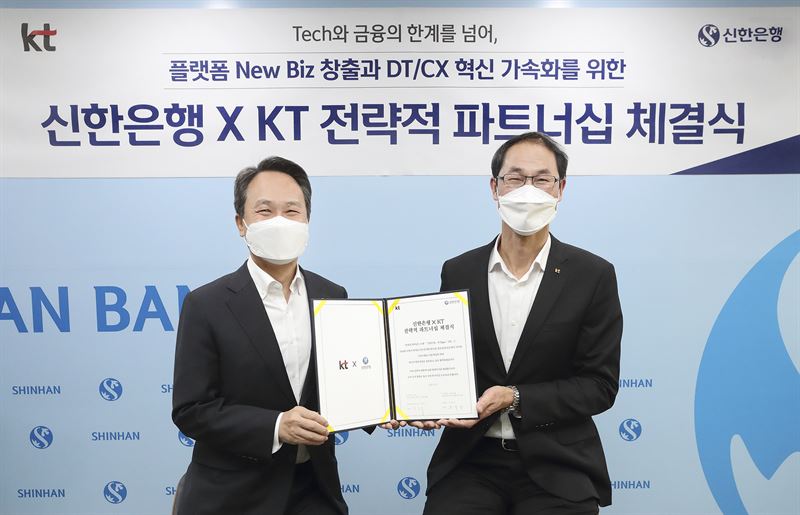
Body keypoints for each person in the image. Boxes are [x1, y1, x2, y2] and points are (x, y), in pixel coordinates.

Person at [420, 132, 623, 515]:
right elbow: (443, 362)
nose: (528, 190)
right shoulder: (459, 270)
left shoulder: (592, 275)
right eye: (515, 178)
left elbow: (599, 385)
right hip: (472, 460)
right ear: (494, 187)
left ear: (561, 189)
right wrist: (418, 399)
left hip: (558, 462)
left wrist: (515, 397)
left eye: (542, 179)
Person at [172, 156, 350, 515]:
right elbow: (191, 410)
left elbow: (347, 378)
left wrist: (394, 405)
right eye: (265, 211)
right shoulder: (206, 304)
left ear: (307, 220)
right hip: (233, 495)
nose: (280, 221)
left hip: (314, 489)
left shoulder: (332, 296)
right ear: (241, 223)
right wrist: (276, 426)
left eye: (292, 210)